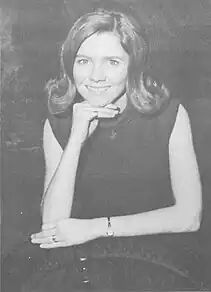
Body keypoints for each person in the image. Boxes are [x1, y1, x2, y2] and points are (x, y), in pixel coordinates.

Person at [27, 1, 205, 289]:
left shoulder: (169, 115)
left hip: (157, 255)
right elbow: (52, 225)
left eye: (112, 62)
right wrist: (76, 139)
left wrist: (95, 228)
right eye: (84, 61)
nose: (96, 76)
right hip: (86, 259)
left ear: (133, 66)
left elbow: (189, 217)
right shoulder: (59, 120)